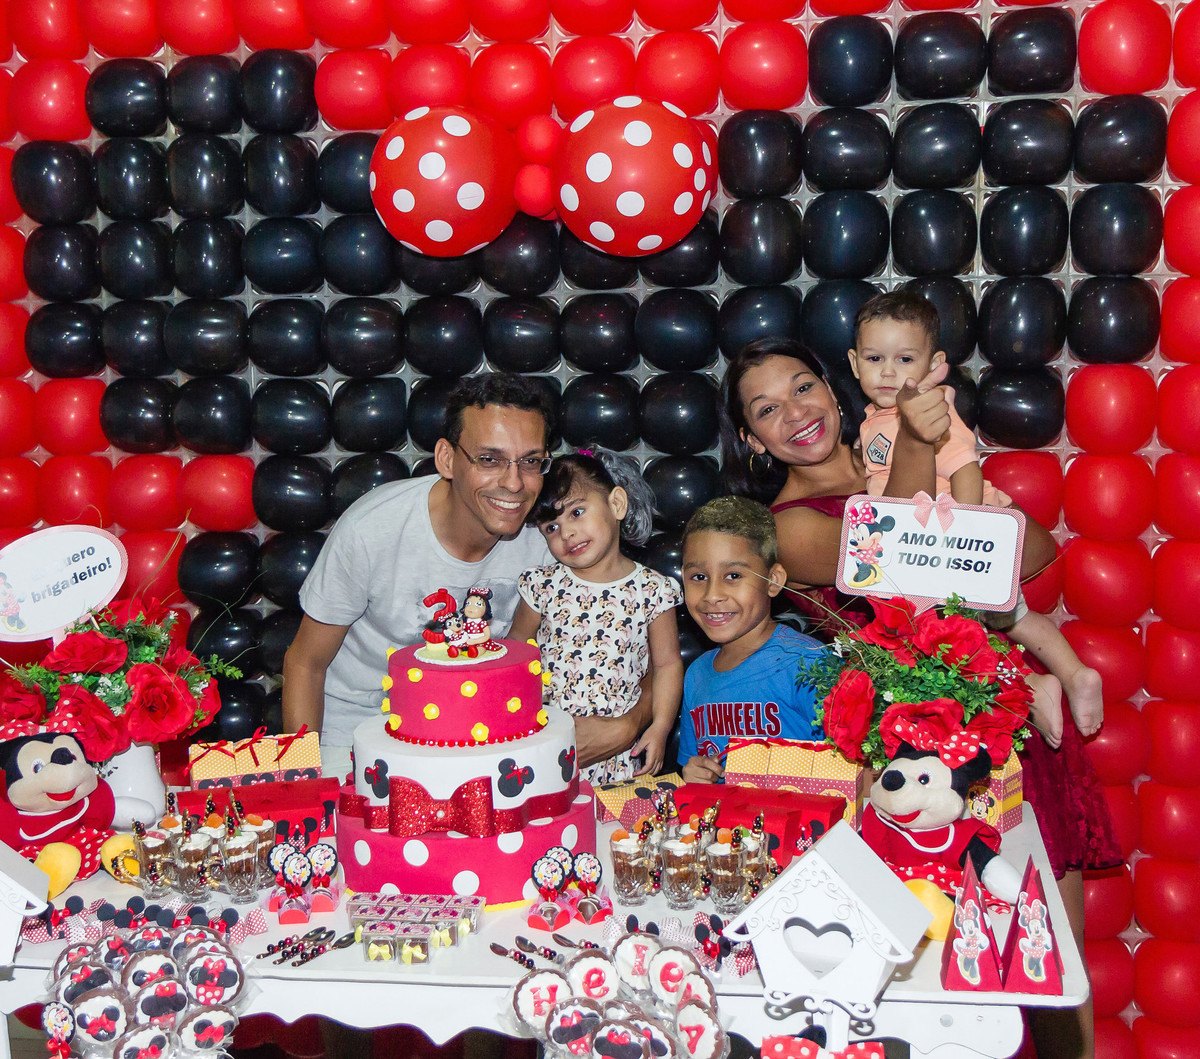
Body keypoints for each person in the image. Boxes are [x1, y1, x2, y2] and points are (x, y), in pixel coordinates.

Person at [719, 335, 1120, 1059]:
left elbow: (1030, 552)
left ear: (835, 391)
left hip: (1016, 720)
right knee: (940, 1001)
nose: (795, 412)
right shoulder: (785, 528)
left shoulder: (921, 455)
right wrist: (917, 442)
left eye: (803, 386)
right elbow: (896, 555)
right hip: (915, 767)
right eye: (767, 408)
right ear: (752, 440)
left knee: (1056, 978)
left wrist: (957, 471)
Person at [282, 373, 650, 776]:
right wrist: (302, 781)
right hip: (356, 732)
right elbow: (305, 663)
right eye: (489, 460)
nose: (513, 483)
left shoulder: (552, 535)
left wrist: (629, 723)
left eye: (530, 461)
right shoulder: (372, 529)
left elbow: (638, 638)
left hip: (486, 735)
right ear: (446, 459)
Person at [847, 290, 1103, 747]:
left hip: (960, 531)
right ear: (853, 363)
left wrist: (966, 533)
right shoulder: (873, 420)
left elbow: (966, 468)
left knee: (993, 618)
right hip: (919, 548)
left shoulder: (933, 410)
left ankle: (1064, 677)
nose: (888, 372)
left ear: (933, 363)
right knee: (997, 621)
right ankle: (1061, 676)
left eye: (905, 359)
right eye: (874, 358)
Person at [509, 449, 683, 784]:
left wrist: (660, 728)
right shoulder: (542, 586)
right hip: (543, 745)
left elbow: (667, 665)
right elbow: (517, 649)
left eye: (577, 512)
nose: (566, 533)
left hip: (615, 754)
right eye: (551, 527)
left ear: (617, 504)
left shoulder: (653, 590)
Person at [675, 496, 826, 785]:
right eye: (698, 576)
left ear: (773, 580)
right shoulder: (696, 675)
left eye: (733, 575)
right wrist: (694, 774)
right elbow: (695, 764)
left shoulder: (810, 664)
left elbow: (857, 769)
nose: (712, 594)